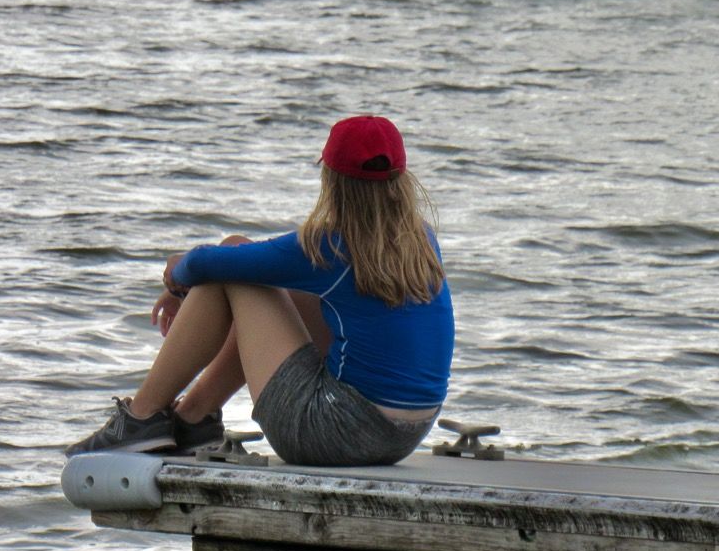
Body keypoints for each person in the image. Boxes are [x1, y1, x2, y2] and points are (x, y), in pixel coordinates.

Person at [64, 115, 454, 467]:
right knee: (276, 284)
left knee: (233, 258)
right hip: (404, 436)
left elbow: (207, 263)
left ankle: (142, 417)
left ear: (331, 180)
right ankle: (193, 419)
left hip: (336, 435)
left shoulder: (330, 246)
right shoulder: (420, 240)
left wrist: (175, 277)